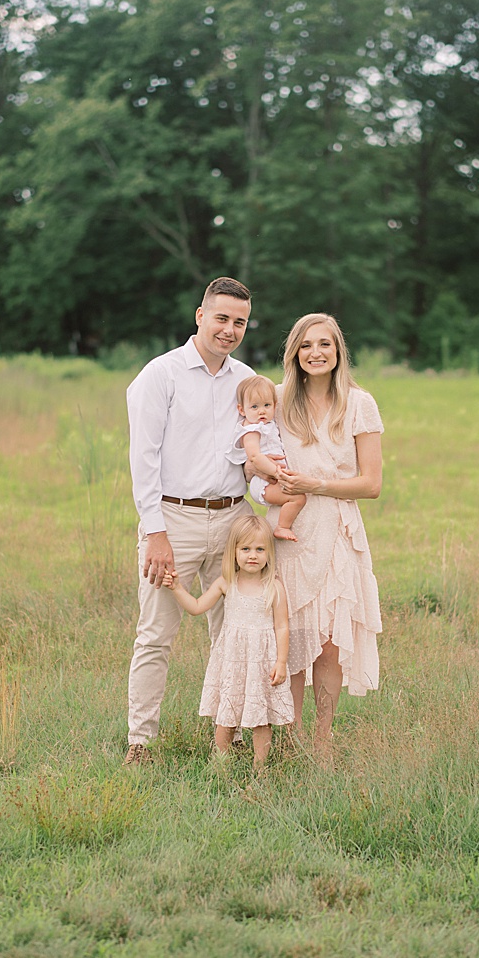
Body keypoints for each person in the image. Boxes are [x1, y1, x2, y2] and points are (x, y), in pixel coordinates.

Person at [124, 276, 256, 766]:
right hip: (172, 521)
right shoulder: (161, 375)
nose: (229, 329)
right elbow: (144, 459)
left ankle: (231, 734)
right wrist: (154, 532)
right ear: (199, 316)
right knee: (156, 633)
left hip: (233, 520)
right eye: (221, 318)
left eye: (239, 322)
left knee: (235, 631)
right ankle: (141, 742)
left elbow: (253, 452)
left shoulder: (246, 379)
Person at [267, 313, 383, 748]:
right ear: (294, 353)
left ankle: (322, 737)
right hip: (292, 531)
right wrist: (274, 488)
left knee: (331, 642)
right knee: (294, 637)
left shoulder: (359, 403)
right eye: (306, 345)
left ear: (338, 352)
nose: (316, 353)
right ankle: (291, 736)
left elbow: (371, 484)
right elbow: (253, 464)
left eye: (325, 345)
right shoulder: (276, 400)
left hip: (337, 530)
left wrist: (316, 485)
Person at [162, 513, 293, 770]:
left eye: (259, 549)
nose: (252, 555)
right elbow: (197, 607)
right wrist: (177, 588)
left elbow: (282, 626)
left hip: (261, 661)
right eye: (245, 549)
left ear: (269, 553)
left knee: (260, 719)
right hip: (232, 660)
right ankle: (219, 765)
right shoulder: (226, 583)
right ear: (233, 552)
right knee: (226, 714)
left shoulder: (274, 587)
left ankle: (260, 768)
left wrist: (282, 661)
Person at [229, 374, 306, 542]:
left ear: (275, 406)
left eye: (266, 405)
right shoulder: (251, 429)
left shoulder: (267, 424)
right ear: (242, 410)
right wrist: (278, 474)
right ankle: (282, 527)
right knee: (298, 497)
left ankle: (283, 525)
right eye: (254, 406)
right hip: (264, 482)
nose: (261, 411)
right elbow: (255, 457)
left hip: (273, 477)